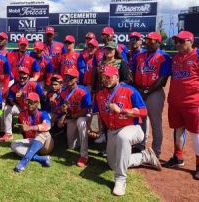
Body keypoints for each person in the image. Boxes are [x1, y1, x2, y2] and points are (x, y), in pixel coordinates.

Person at [93, 65, 161, 196]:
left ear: (117, 77)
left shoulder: (129, 91)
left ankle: (120, 179)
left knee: (123, 137)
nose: (106, 80)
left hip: (132, 129)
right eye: (104, 77)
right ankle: (144, 156)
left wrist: (123, 110)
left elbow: (143, 111)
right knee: (113, 164)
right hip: (112, 131)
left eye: (109, 77)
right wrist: (95, 129)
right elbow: (96, 114)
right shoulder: (100, 95)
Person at [164, 31, 199, 181]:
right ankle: (178, 157)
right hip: (176, 102)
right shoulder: (175, 58)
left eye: (181, 41)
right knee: (178, 129)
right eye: (176, 41)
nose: (178, 44)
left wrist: (195, 92)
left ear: (190, 41)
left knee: (197, 133)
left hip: (195, 104)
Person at [132, 32, 171, 156]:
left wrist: (148, 91)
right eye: (147, 41)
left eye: (152, 41)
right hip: (139, 91)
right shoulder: (140, 56)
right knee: (141, 120)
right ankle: (140, 145)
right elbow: (132, 73)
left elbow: (163, 79)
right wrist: (138, 89)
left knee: (155, 122)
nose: (148, 44)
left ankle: (156, 150)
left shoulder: (163, 57)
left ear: (158, 43)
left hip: (154, 92)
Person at [56, 68, 91, 167]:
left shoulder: (83, 91)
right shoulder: (63, 92)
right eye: (67, 77)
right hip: (71, 117)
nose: (68, 79)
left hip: (83, 117)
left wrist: (70, 116)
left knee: (81, 122)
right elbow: (62, 109)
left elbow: (85, 111)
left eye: (71, 77)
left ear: (76, 79)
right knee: (72, 146)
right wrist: (63, 114)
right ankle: (82, 139)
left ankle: (84, 155)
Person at [12, 92, 54, 172]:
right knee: (13, 145)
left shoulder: (43, 113)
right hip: (31, 142)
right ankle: (41, 159)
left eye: (31, 102)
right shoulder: (21, 114)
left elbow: (47, 126)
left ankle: (23, 162)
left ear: (37, 103)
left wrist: (30, 128)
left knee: (42, 131)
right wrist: (21, 128)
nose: (29, 104)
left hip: (46, 145)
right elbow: (23, 132)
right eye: (27, 101)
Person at [2, 67, 44, 142]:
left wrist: (41, 111)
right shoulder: (15, 86)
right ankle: (8, 133)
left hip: (33, 110)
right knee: (5, 108)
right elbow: (9, 100)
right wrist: (15, 99)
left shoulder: (34, 85)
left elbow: (42, 98)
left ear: (28, 77)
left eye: (24, 78)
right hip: (21, 108)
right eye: (20, 77)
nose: (21, 79)